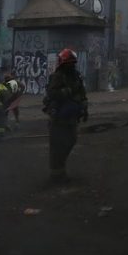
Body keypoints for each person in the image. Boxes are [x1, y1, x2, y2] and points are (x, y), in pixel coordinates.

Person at [42, 48, 88, 182]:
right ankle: (56, 175)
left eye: (73, 63)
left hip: (71, 117)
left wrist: (84, 109)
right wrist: (67, 91)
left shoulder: (76, 77)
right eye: (69, 63)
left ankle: (60, 169)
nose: (71, 66)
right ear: (63, 64)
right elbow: (52, 94)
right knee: (57, 146)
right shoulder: (57, 77)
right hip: (58, 118)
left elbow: (82, 94)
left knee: (71, 140)